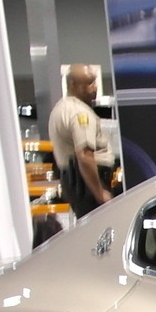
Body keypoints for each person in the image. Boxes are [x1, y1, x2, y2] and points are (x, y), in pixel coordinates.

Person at [47, 65, 113, 220]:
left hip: (75, 182)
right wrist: (100, 194)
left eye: (94, 82)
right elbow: (85, 155)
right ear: (72, 85)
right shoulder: (80, 113)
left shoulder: (61, 108)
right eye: (89, 82)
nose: (95, 87)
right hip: (88, 184)